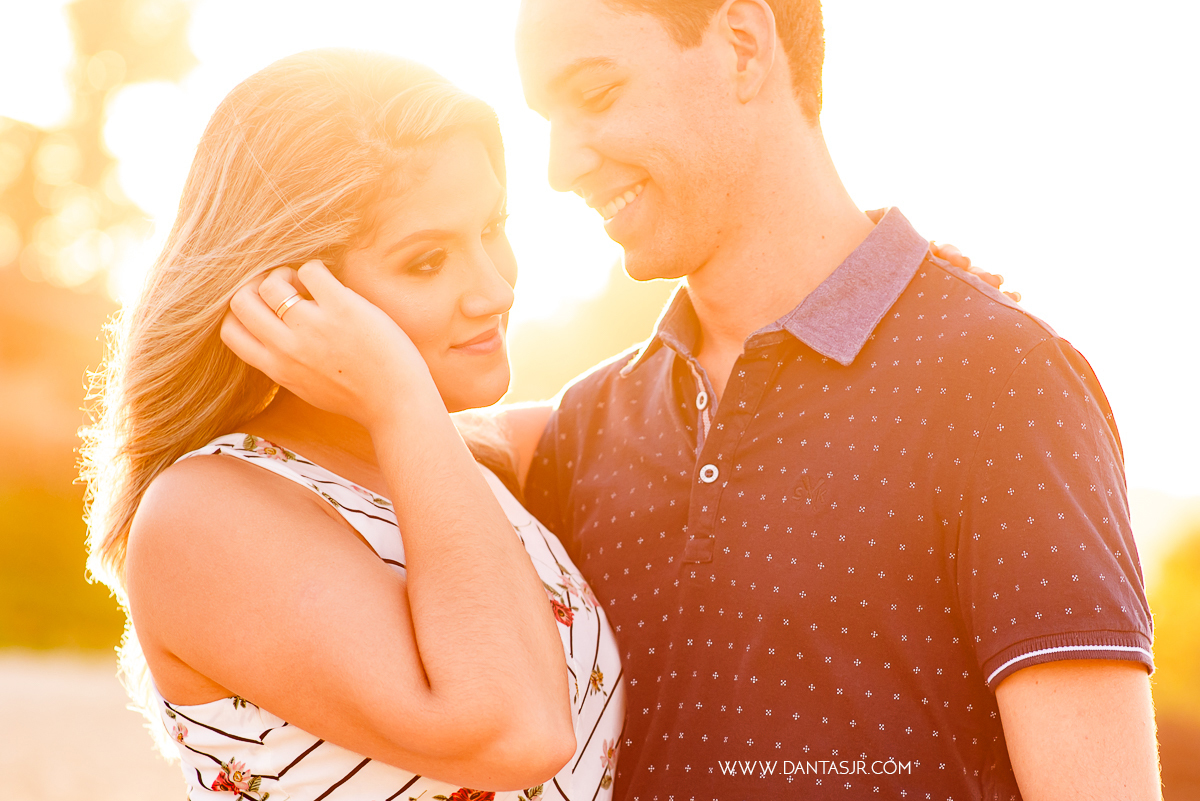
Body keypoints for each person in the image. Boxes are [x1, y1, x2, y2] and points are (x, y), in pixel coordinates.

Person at [509, 0, 1161, 799]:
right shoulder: (586, 425)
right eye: (546, 117)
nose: (557, 166)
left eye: (597, 94)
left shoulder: (1001, 376)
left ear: (743, 47)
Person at [81, 50, 624, 801]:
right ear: (286, 293)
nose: (496, 288)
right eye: (427, 261)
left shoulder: (475, 464)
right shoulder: (202, 513)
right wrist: (400, 396)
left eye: (493, 227)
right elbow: (518, 730)